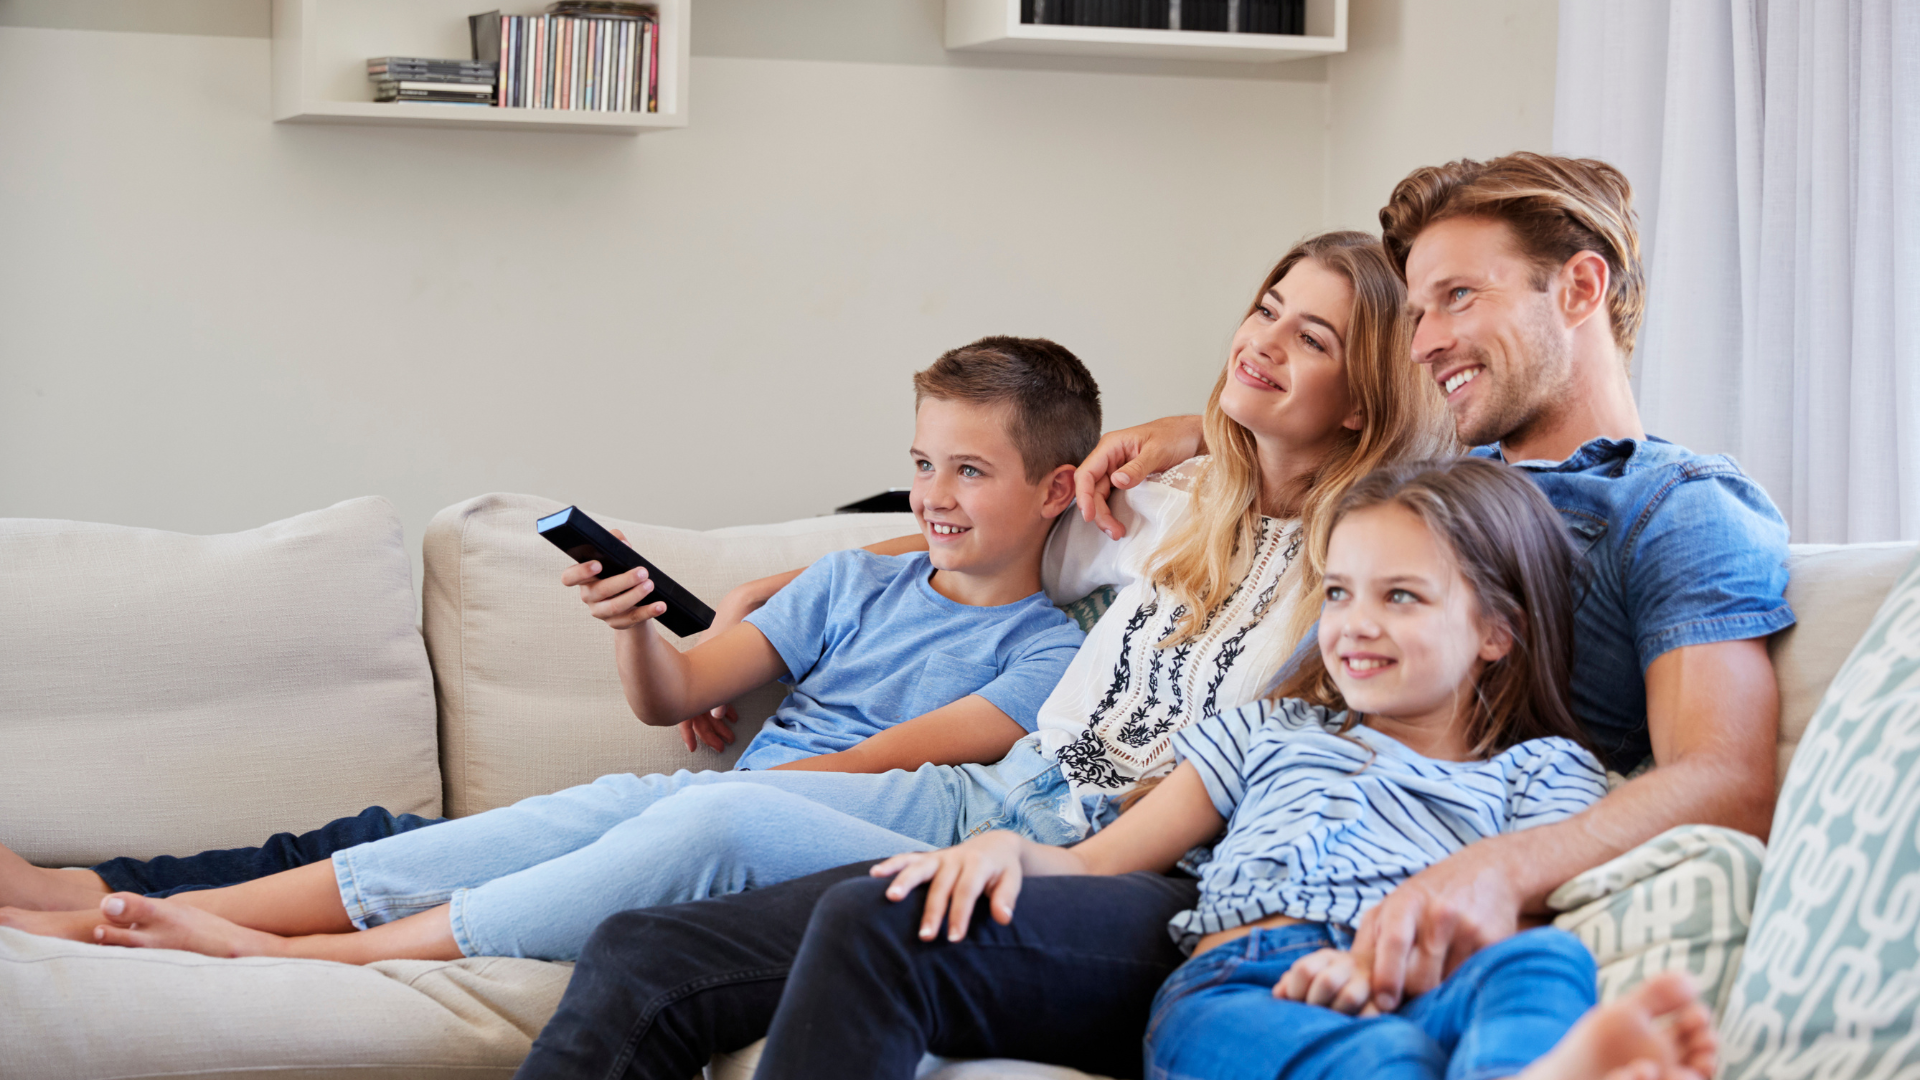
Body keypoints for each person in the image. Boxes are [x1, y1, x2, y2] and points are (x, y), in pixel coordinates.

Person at [510, 154, 1790, 1080]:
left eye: (1462, 298)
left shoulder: (1671, 506)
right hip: (1224, 834)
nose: (1434, 336)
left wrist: (1486, 870)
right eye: (1423, 303)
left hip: (1304, 876)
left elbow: (1726, 778)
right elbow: (1242, 494)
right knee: (652, 953)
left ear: (1581, 288)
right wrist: (1208, 430)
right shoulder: (1423, 490)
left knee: (877, 916)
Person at [0, 334, 1095, 958]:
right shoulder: (855, 580)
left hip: (791, 835)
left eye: (969, 471)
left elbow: (877, 762)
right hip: (717, 819)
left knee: (649, 810)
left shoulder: (1052, 654)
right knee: (597, 809)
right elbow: (679, 697)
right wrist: (635, 626)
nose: (933, 497)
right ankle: (121, 903)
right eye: (921, 463)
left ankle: (240, 938)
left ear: (1055, 490)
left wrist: (693, 800)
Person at [759, 457, 1719, 1080]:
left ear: (1499, 631)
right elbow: (1103, 863)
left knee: (1540, 961)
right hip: (1244, 980)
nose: (1354, 624)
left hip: (1415, 978)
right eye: (1338, 592)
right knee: (1368, 1056)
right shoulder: (1272, 731)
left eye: (1403, 597)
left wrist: (1379, 968)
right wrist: (1006, 852)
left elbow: (1528, 912)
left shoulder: (1544, 774)